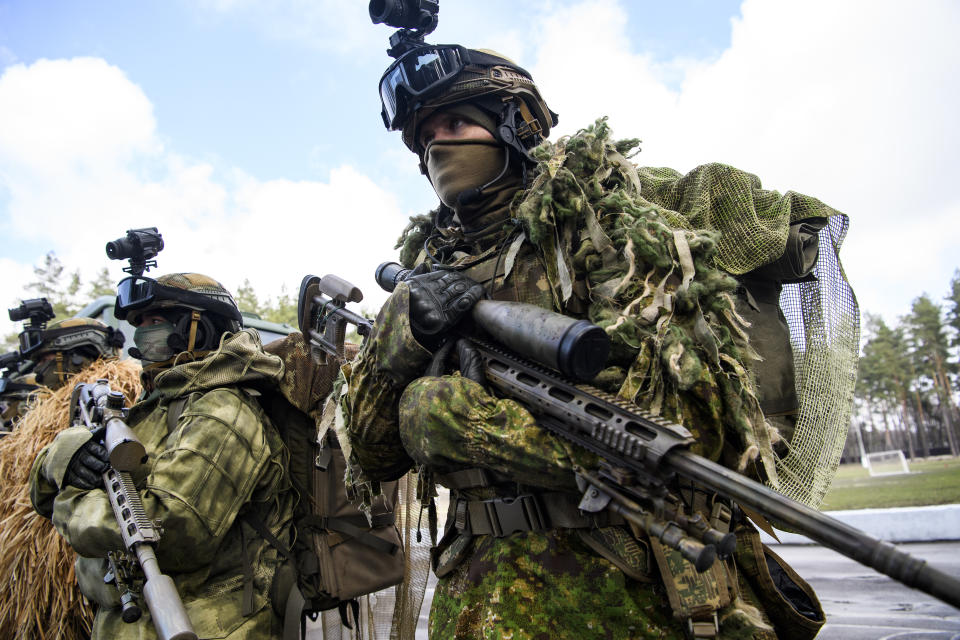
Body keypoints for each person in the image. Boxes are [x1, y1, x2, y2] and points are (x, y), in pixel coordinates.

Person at [341, 45, 858, 639]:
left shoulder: (607, 232)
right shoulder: (427, 271)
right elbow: (374, 455)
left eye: (456, 124)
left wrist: (473, 426)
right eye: (425, 135)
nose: (438, 147)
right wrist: (399, 336)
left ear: (515, 123)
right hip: (476, 602)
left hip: (613, 597)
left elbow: (699, 423)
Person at [29, 272, 295, 639]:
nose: (142, 334)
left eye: (156, 321)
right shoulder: (155, 406)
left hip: (209, 626)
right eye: (139, 324)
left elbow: (169, 531)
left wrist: (70, 501)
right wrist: (62, 457)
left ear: (199, 329)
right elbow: (42, 493)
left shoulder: (223, 410)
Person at [1, 317, 123, 433]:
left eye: (44, 360)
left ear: (76, 360)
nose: (37, 370)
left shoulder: (116, 395)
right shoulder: (55, 411)